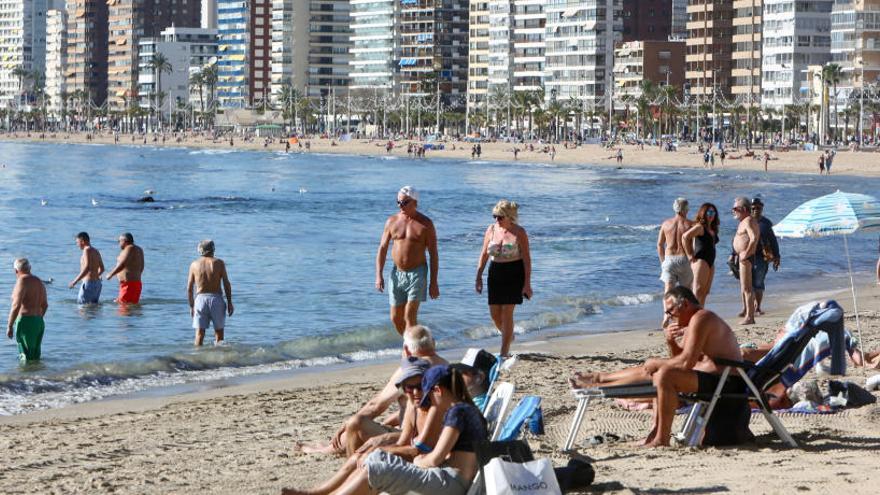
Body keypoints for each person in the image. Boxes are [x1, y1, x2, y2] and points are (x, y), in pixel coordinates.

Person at [282, 357, 441, 495]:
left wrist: (381, 446)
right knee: (357, 458)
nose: (414, 392)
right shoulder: (413, 407)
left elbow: (417, 446)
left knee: (368, 460)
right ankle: (317, 492)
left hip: (423, 460)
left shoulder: (434, 408)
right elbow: (405, 439)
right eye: (409, 388)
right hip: (413, 453)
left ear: (429, 384)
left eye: (419, 387)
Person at [326, 364, 488, 495]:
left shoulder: (457, 412)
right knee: (377, 457)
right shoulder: (467, 410)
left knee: (378, 469)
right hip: (448, 477)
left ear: (438, 390)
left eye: (429, 397)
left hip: (450, 482)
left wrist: (418, 460)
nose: (429, 403)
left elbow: (434, 460)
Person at [298, 325, 448, 457]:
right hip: (438, 434)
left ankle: (324, 451)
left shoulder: (411, 370)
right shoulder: (446, 366)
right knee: (373, 425)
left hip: (413, 437)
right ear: (433, 344)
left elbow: (376, 405)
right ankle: (329, 447)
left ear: (407, 350)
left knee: (356, 424)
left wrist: (346, 424)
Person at [376, 186, 440, 335]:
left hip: (417, 273)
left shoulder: (426, 224)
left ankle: (412, 351)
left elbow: (433, 254)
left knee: (409, 316)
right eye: (398, 202)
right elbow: (383, 248)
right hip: (396, 273)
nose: (400, 206)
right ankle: (413, 343)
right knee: (395, 318)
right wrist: (379, 275)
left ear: (414, 202)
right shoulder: (392, 221)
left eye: (404, 202)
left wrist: (434, 282)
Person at [475, 200, 532, 358]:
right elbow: (484, 254)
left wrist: (527, 284)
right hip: (495, 272)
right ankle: (509, 335)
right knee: (494, 314)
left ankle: (503, 352)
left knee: (507, 312)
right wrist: (478, 276)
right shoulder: (491, 230)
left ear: (509, 217)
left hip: (514, 272)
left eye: (500, 217)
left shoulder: (519, 232)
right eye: (494, 216)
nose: (496, 220)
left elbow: (527, 258)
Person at [186, 240, 234, 346]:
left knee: (199, 334)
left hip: (200, 300)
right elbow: (226, 284)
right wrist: (230, 302)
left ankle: (197, 359)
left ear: (200, 250)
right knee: (219, 333)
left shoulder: (194, 265)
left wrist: (191, 306)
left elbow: (189, 288)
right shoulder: (219, 263)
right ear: (213, 249)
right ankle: (218, 359)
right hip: (216, 299)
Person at [7, 259, 48, 363]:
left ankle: (26, 378)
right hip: (38, 322)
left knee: (25, 357)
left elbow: (16, 305)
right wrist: (37, 319)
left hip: (26, 322)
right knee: (35, 356)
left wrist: (9, 326)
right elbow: (45, 305)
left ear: (16, 271)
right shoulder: (39, 281)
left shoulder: (22, 281)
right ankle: (38, 378)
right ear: (30, 268)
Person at [682, 203, 719, 306]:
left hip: (710, 263)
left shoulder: (712, 229)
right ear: (703, 213)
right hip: (700, 261)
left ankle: (700, 315)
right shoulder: (700, 227)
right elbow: (685, 237)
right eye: (709, 212)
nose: (711, 214)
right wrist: (689, 255)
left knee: (705, 292)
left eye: (713, 212)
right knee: (697, 291)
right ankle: (693, 316)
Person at [732, 197, 760, 325]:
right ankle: (748, 313)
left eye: (735, 209)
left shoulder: (748, 220)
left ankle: (750, 317)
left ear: (743, 209)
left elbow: (754, 238)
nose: (733, 211)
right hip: (742, 257)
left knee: (747, 288)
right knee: (744, 287)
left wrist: (746, 253)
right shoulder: (744, 221)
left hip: (746, 258)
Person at [750, 198, 780, 315]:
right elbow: (738, 238)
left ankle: (757, 307)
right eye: (753, 208)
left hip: (761, 257)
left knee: (758, 282)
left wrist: (777, 256)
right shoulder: (746, 221)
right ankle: (749, 307)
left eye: (758, 208)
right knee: (747, 283)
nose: (756, 210)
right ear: (750, 209)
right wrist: (733, 254)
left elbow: (773, 240)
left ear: (762, 208)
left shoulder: (766, 223)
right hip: (747, 256)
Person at [657, 197, 694, 293]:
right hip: (684, 259)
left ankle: (667, 308)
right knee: (686, 291)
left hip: (669, 259)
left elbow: (660, 244)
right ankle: (685, 308)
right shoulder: (690, 224)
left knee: (668, 289)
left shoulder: (665, 224)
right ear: (686, 209)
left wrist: (663, 262)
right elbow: (695, 245)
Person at [104, 232, 145, 304]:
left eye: (119, 241)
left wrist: (111, 274)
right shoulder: (138, 249)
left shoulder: (130, 248)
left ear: (124, 241)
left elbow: (123, 264)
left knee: (124, 309)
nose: (119, 243)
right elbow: (141, 267)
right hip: (132, 284)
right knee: (128, 308)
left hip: (129, 286)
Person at [69, 232, 105, 304]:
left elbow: (87, 267)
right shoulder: (96, 251)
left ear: (82, 241)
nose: (77, 245)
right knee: (93, 309)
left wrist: (74, 281)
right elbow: (102, 268)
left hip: (89, 284)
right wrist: (95, 275)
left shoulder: (86, 250)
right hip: (97, 284)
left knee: (82, 308)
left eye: (77, 242)